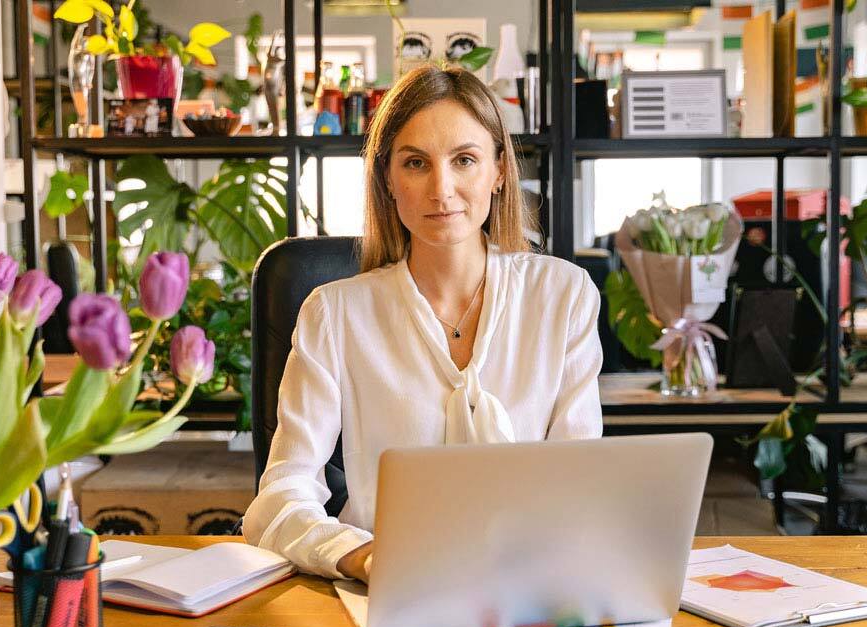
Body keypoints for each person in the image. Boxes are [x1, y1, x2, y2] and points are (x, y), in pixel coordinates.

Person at [243, 65, 602, 583]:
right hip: (384, 588)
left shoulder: (563, 296)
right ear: (387, 179)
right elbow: (280, 495)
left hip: (532, 582)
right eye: (416, 163)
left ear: (499, 171)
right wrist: (364, 559)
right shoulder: (333, 314)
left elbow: (581, 482)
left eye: (464, 160)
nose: (442, 189)